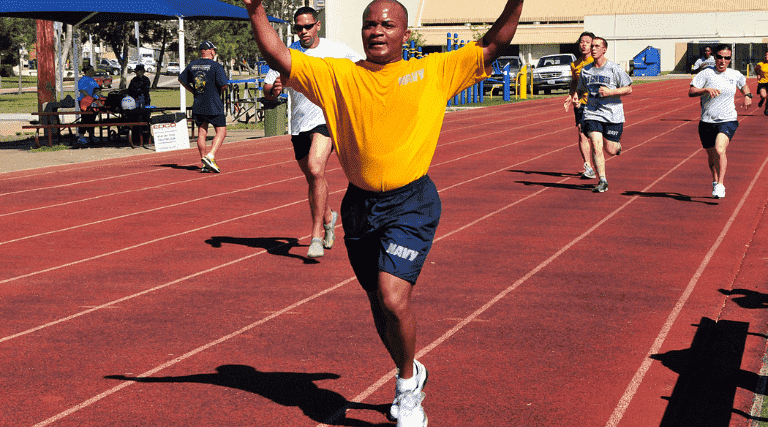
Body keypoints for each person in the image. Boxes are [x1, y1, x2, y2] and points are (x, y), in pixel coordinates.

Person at [242, 0, 525, 425]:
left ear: (404, 35)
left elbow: (493, 44)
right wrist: (255, 11)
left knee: (394, 298)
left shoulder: (433, 71)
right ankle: (409, 367)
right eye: (370, 24)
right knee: (378, 303)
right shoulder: (338, 75)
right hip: (359, 206)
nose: (377, 31)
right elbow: (278, 56)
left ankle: (408, 388)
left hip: (411, 202)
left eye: (388, 25)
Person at [263, 7, 363, 259]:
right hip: (299, 124)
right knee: (312, 180)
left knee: (317, 170)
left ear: (317, 25)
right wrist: (273, 90)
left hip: (327, 120)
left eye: (308, 26)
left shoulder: (336, 49)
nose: (303, 31)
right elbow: (267, 87)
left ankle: (316, 235)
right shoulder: (288, 53)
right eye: (299, 28)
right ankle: (329, 217)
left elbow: (362, 69)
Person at [689, 44, 753, 199]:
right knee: (711, 156)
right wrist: (705, 90)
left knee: (720, 149)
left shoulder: (735, 74)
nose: (723, 61)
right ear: (715, 57)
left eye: (727, 58)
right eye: (720, 57)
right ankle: (715, 180)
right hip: (707, 121)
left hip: (728, 119)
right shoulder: (706, 74)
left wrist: (747, 96)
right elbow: (691, 91)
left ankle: (721, 184)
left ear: (730, 59)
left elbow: (744, 87)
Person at [577, 36, 632, 193]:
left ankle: (617, 146)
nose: (593, 49)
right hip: (592, 113)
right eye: (592, 46)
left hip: (613, 114)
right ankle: (602, 180)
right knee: (596, 144)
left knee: (611, 149)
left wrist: (611, 92)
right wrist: (574, 97)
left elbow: (629, 88)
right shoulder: (586, 70)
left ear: (604, 49)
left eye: (596, 46)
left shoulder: (614, 68)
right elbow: (581, 89)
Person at [179, 41, 228, 173]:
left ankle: (204, 162)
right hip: (213, 103)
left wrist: (193, 91)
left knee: (202, 132)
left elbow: (181, 79)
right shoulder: (216, 66)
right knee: (221, 131)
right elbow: (223, 84)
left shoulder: (192, 65)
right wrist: (219, 91)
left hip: (199, 102)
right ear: (211, 51)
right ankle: (210, 156)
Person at [564, 31, 596, 179]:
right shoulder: (575, 64)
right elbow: (574, 83)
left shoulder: (597, 63)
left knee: (598, 136)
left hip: (597, 103)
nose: (584, 44)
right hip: (581, 104)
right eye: (581, 41)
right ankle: (588, 166)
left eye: (587, 42)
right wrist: (570, 96)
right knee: (582, 132)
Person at [76, 66, 102, 147]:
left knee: (92, 119)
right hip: (85, 102)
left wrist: (96, 96)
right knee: (85, 118)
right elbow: (82, 90)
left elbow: (97, 89)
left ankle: (91, 136)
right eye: (91, 70)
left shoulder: (92, 80)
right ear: (87, 71)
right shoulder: (83, 79)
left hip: (92, 102)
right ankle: (81, 136)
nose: (93, 72)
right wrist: (89, 98)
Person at [127, 63, 152, 145]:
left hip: (145, 101)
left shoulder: (146, 80)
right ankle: (136, 136)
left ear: (143, 71)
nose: (137, 73)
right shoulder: (133, 80)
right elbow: (130, 90)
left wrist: (137, 92)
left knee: (145, 118)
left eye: (139, 71)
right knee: (134, 118)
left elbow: (145, 90)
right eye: (136, 71)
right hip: (135, 102)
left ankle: (146, 136)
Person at [755, 51, 768, 116]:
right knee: (764, 95)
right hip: (762, 82)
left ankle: (766, 109)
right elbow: (756, 69)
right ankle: (762, 100)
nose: (766, 56)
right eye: (766, 55)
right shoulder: (760, 64)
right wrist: (758, 74)